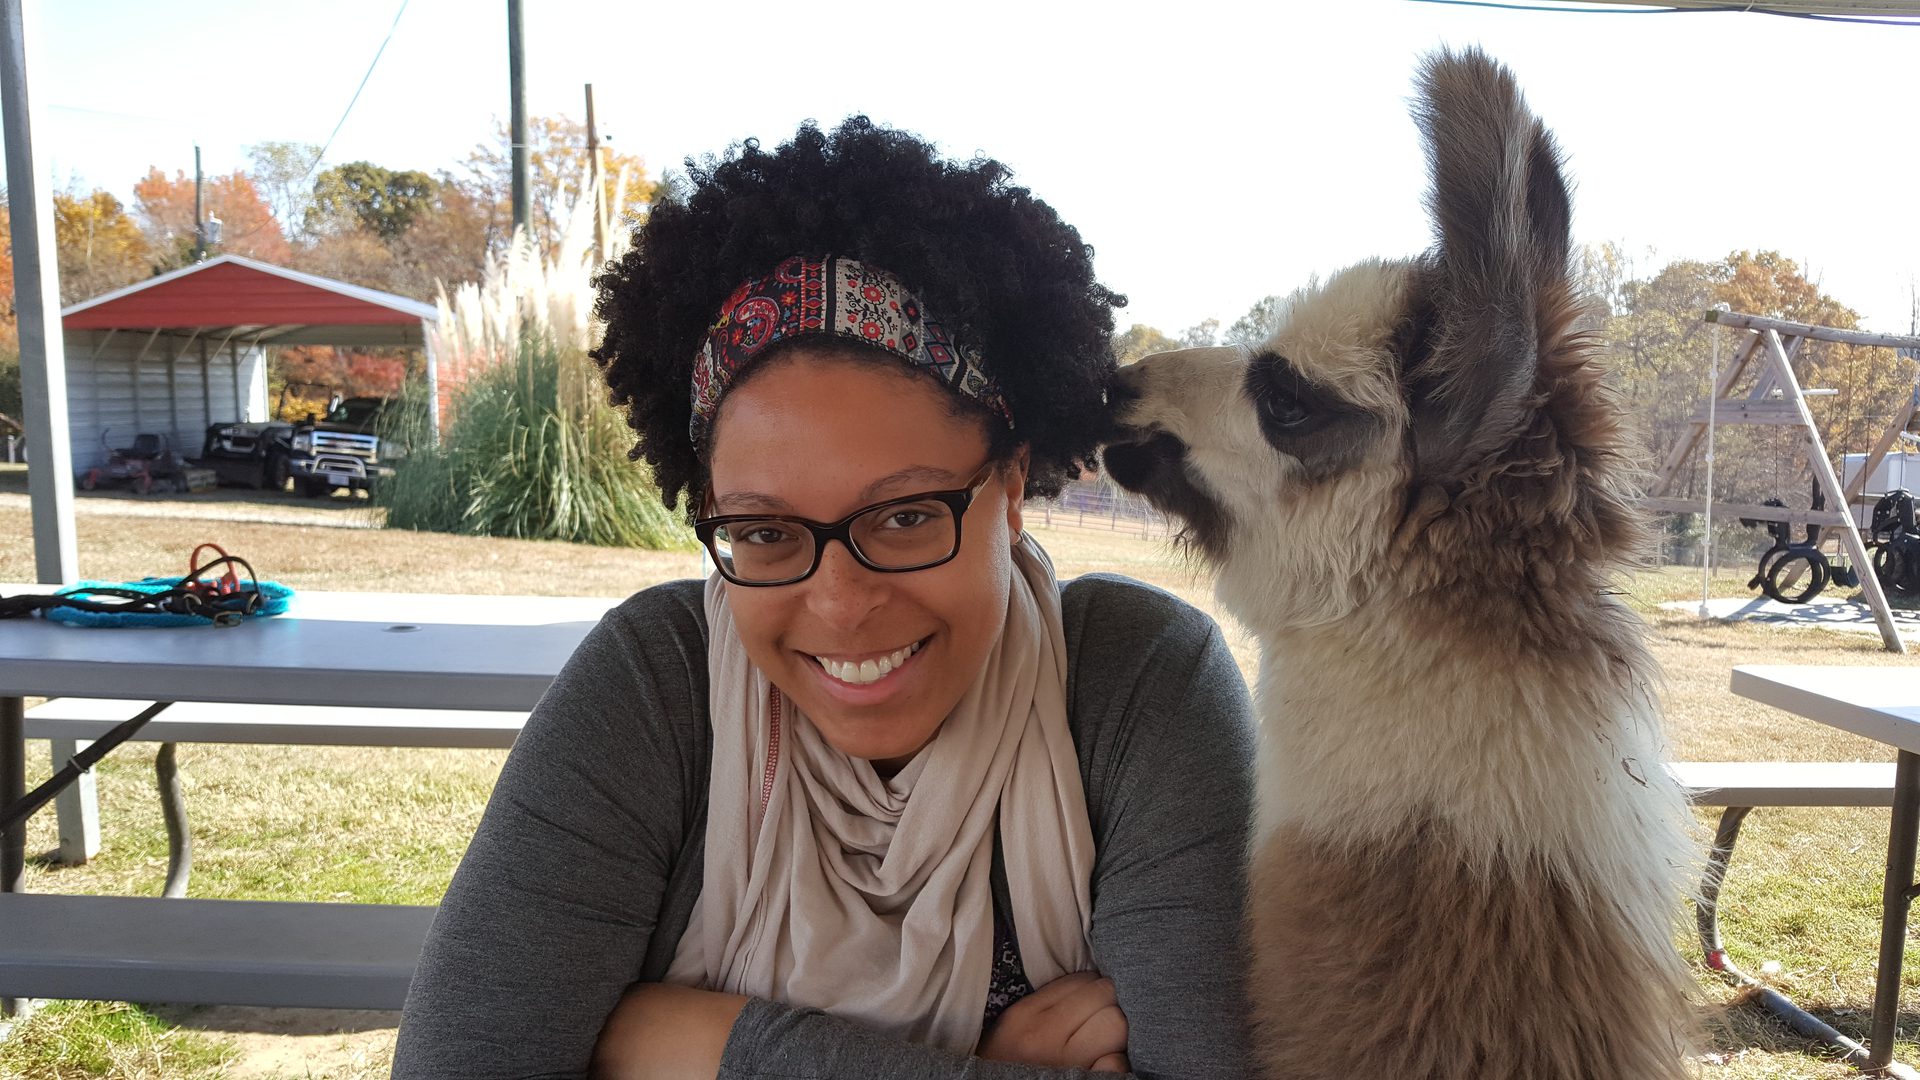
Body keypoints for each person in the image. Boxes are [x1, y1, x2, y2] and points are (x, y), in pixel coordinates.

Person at [391, 118, 1255, 1080]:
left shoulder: (1138, 685)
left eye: (904, 517)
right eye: (764, 533)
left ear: (1010, 488)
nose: (840, 605)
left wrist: (682, 1045)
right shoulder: (657, 684)